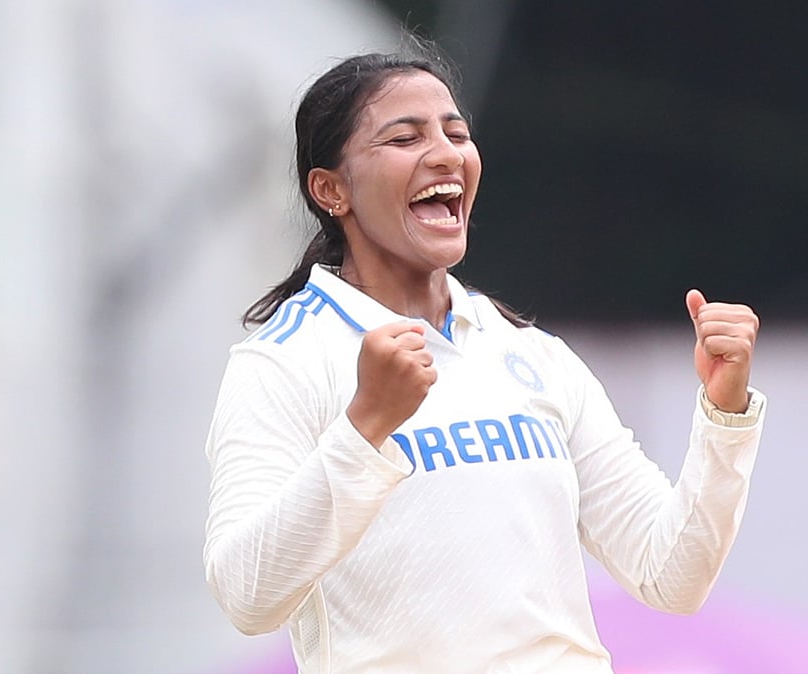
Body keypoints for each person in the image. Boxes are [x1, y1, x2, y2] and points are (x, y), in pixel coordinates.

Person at [202, 43, 766, 674]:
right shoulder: (285, 360)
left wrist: (725, 416)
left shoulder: (529, 352)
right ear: (332, 190)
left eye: (456, 132)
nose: (445, 153)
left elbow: (671, 575)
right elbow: (247, 596)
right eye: (403, 138)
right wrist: (365, 427)